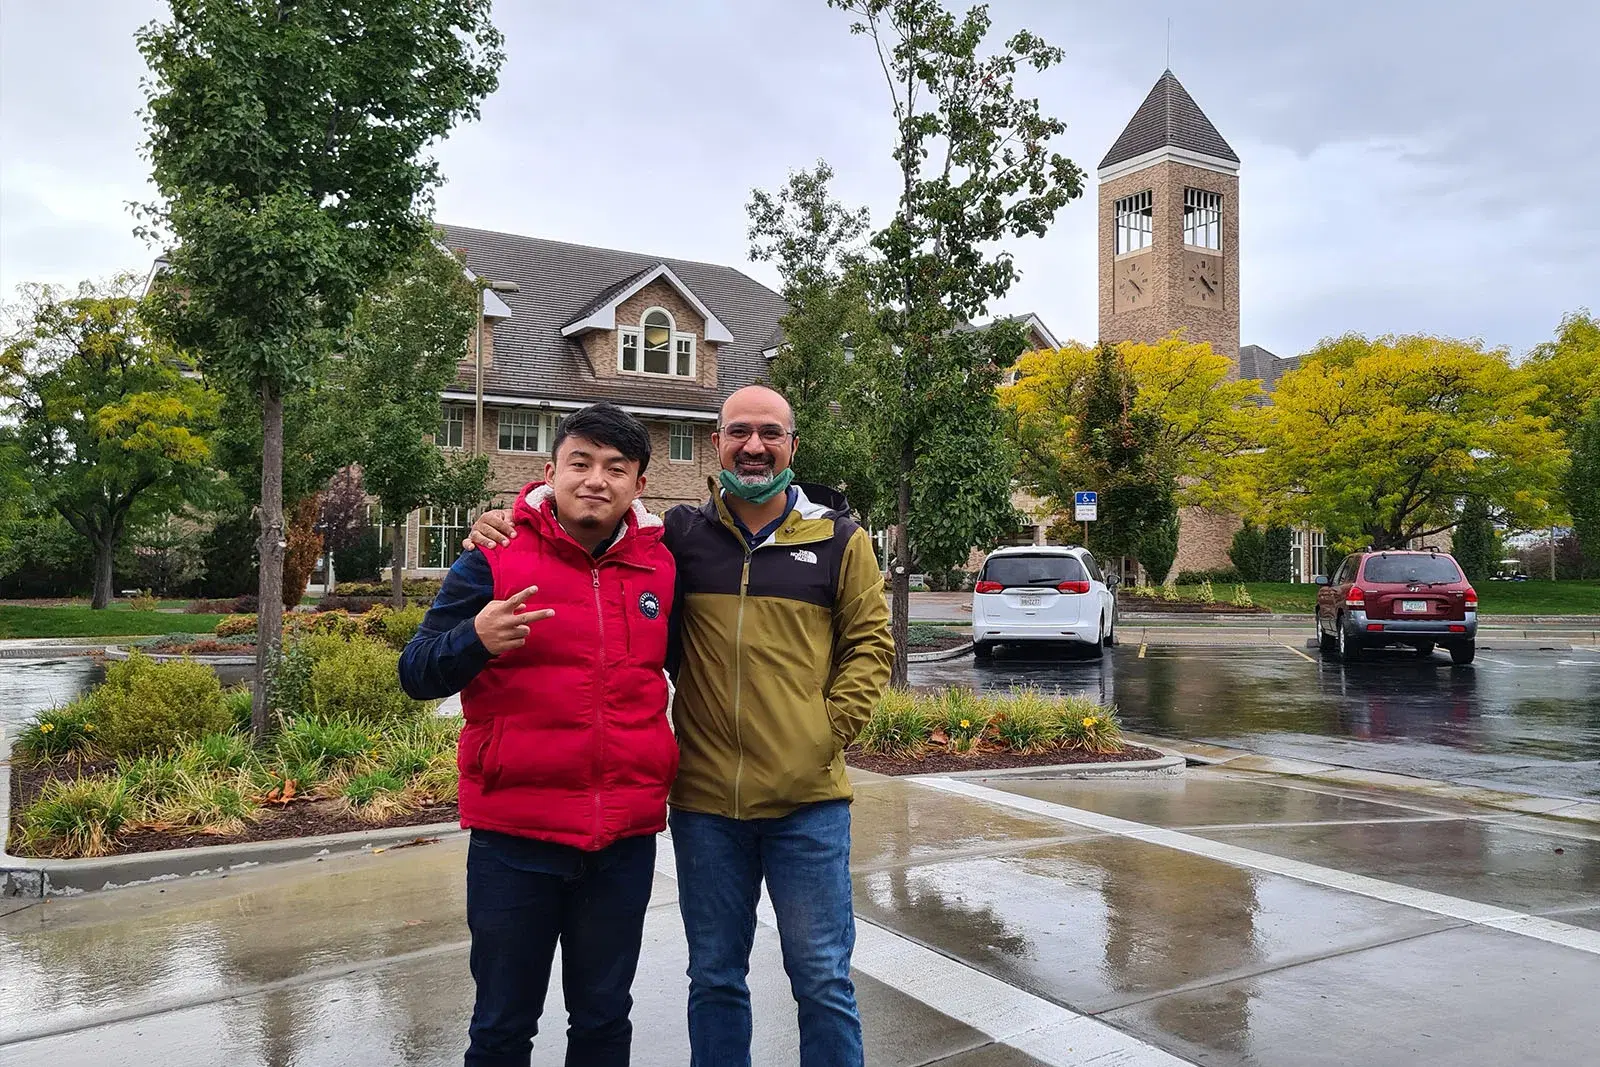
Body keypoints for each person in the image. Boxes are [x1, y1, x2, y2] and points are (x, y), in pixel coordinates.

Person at [466, 385, 894, 1067]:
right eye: (738, 432)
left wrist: (824, 732)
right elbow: (592, 534)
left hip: (807, 804)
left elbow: (870, 646)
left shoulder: (841, 540)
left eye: (770, 433)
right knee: (717, 980)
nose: (754, 446)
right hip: (704, 807)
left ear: (793, 445)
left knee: (822, 980)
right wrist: (509, 518)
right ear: (716, 442)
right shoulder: (682, 540)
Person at [399, 402, 677, 1067]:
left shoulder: (661, 567)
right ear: (550, 471)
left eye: (616, 468)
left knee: (605, 1021)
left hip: (622, 843)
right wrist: (475, 638)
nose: (596, 480)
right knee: (501, 1027)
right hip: (515, 842)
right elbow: (415, 670)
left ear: (640, 484)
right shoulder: (492, 559)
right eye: (580, 463)